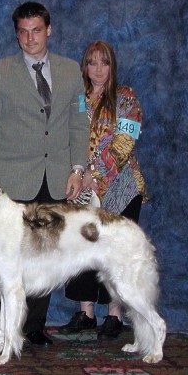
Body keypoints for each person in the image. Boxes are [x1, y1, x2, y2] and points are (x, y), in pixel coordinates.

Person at [0, 2, 89, 346]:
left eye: (36, 30)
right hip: (12, 180)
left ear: (49, 30)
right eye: (22, 31)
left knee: (45, 255)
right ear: (16, 33)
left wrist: (78, 168)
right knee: (2, 256)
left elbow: (80, 122)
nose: (29, 38)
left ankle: (34, 325)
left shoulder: (70, 71)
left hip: (56, 178)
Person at [59, 40, 148, 339]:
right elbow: (69, 139)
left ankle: (114, 315)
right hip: (83, 188)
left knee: (115, 253)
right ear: (85, 66)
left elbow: (125, 142)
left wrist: (94, 175)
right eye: (92, 62)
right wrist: (78, 175)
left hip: (121, 189)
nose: (98, 69)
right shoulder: (78, 99)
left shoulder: (127, 98)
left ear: (112, 66)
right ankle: (86, 313)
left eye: (104, 62)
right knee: (82, 250)